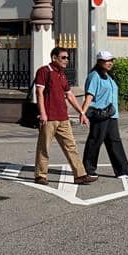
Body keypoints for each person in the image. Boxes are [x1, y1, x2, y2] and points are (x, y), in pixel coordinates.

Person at [33, 46, 96, 186]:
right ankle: (40, 175)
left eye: (67, 58)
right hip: (49, 117)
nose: (66, 60)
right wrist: (42, 113)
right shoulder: (44, 71)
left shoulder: (62, 74)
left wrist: (81, 112)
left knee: (71, 146)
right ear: (54, 58)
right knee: (44, 147)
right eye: (63, 57)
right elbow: (39, 93)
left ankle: (80, 175)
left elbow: (70, 95)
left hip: (63, 117)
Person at [81, 50, 128, 179]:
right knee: (95, 140)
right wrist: (83, 113)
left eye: (111, 60)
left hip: (111, 114)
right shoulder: (95, 76)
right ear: (100, 61)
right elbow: (89, 96)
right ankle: (88, 169)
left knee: (115, 141)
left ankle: (123, 170)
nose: (110, 63)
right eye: (107, 61)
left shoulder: (108, 76)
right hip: (100, 114)